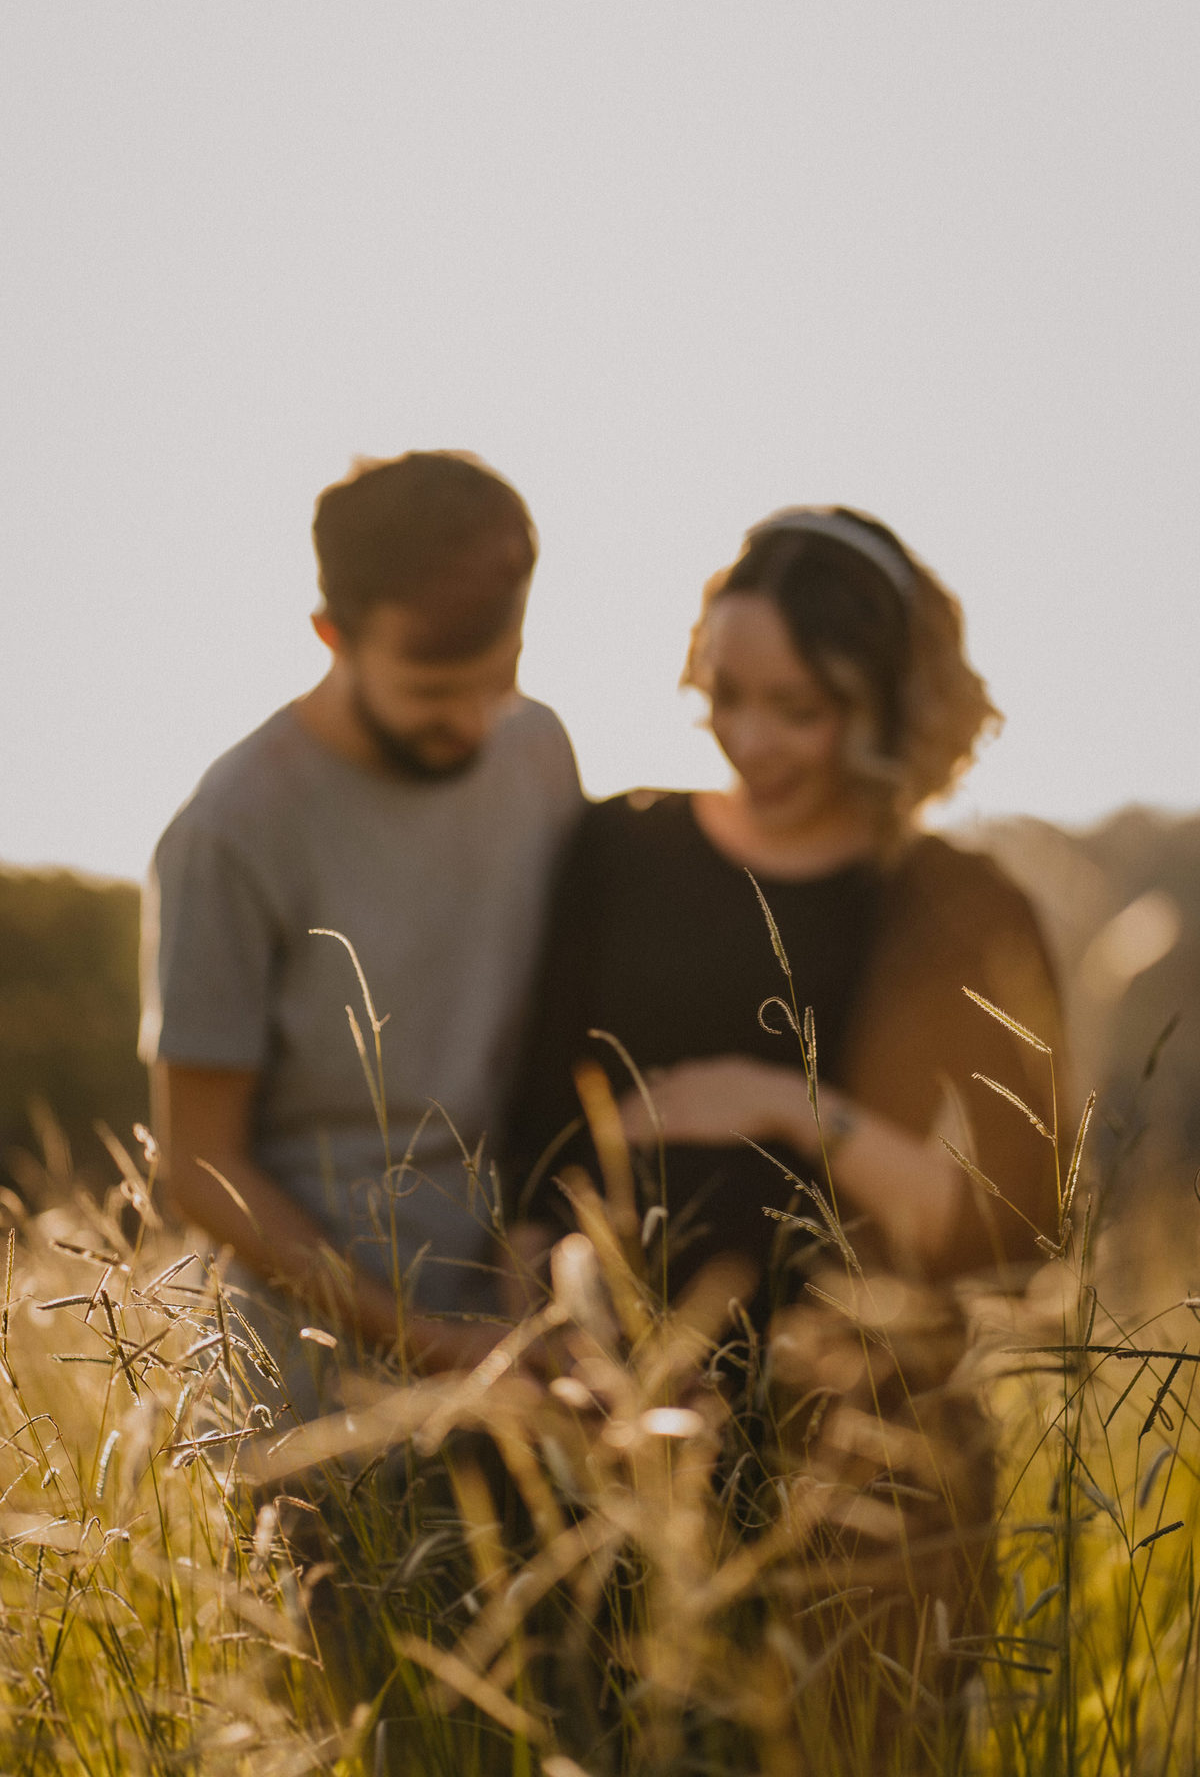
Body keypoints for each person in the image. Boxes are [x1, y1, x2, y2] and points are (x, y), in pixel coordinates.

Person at [499, 505, 1063, 1323]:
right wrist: (549, 1355)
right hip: (601, 1394)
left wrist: (785, 1107)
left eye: (798, 710)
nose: (750, 739)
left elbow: (1022, 1227)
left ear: (890, 704)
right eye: (727, 697)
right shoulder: (619, 846)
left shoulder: (960, 908)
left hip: (856, 1400)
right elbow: (533, 1148)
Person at [139, 451, 582, 1401]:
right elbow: (199, 1162)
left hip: (532, 1320)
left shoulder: (538, 748)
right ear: (330, 634)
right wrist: (432, 1344)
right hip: (318, 1370)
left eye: (495, 678)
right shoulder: (231, 828)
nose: (470, 722)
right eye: (429, 693)